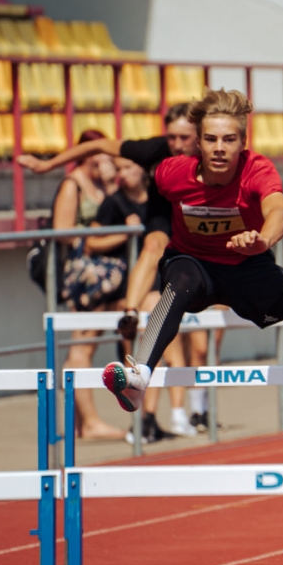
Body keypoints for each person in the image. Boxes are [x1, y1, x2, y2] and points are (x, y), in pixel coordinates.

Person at [99, 90, 283, 412]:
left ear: (243, 142)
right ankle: (139, 377)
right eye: (211, 139)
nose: (219, 148)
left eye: (229, 140)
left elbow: (278, 213)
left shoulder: (256, 170)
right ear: (197, 143)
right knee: (180, 282)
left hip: (247, 265)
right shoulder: (170, 175)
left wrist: (261, 240)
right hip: (193, 266)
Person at [18, 103, 214, 427]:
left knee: (205, 338)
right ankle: (132, 312)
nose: (178, 145)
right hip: (167, 219)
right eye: (173, 137)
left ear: (200, 137)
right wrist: (46, 165)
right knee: (152, 246)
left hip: (206, 220)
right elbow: (96, 145)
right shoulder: (156, 149)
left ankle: (196, 407)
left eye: (185, 138)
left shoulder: (215, 151)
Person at [88, 156, 194, 440]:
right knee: (144, 353)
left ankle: (166, 415)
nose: (122, 173)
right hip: (131, 289)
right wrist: (125, 233)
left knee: (170, 352)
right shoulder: (115, 203)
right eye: (118, 168)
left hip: (163, 283)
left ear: (143, 171)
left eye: (128, 167)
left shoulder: (161, 201)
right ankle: (147, 418)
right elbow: (91, 241)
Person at [49, 130, 128, 441]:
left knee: (89, 344)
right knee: (82, 345)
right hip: (84, 275)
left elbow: (113, 208)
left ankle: (81, 423)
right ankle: (90, 423)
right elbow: (63, 232)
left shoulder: (100, 184)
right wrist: (95, 239)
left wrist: (109, 187)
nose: (106, 161)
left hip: (103, 275)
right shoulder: (73, 185)